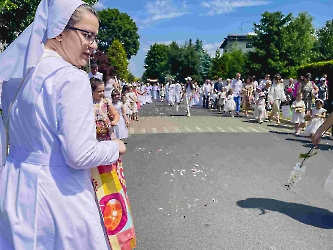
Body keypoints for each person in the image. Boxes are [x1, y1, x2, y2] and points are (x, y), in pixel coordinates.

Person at [0, 1, 131, 249]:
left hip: (16, 190)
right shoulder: (70, 77)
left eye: (95, 37)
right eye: (87, 35)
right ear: (60, 30)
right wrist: (115, 147)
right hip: (58, 196)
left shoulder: (18, 76)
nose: (93, 45)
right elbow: (79, 154)